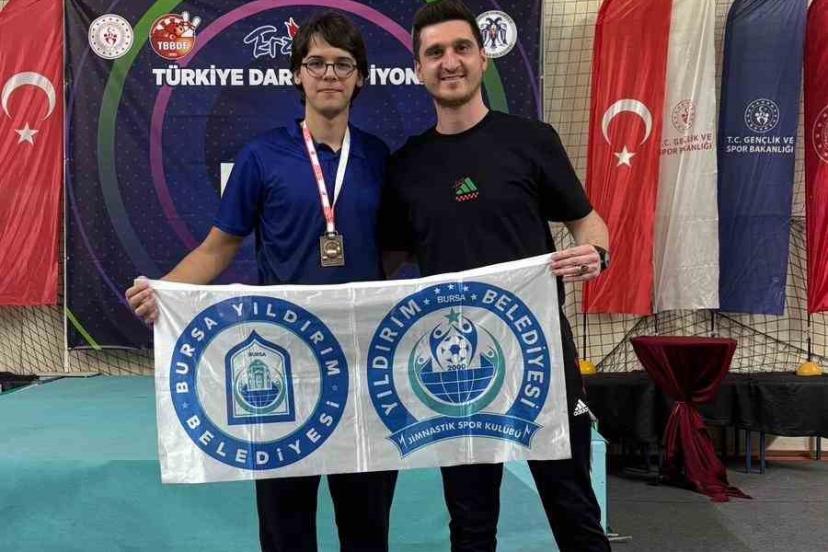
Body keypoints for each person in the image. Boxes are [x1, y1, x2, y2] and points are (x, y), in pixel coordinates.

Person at [125, 11, 397, 552]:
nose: (329, 74)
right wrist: (164, 290)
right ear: (297, 74)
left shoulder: (378, 157)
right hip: (284, 367)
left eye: (343, 64)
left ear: (360, 77)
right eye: (316, 62)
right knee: (285, 526)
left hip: (363, 365)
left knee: (367, 526)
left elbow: (394, 252)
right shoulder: (261, 155)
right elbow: (218, 248)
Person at [380, 1, 612, 550]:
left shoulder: (531, 140)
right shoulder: (406, 165)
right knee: (471, 520)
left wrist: (597, 253)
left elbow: (587, 222)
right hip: (457, 370)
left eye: (461, 48)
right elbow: (385, 267)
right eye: (435, 52)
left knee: (574, 509)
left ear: (483, 58)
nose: (450, 62)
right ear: (418, 69)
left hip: (540, 354)